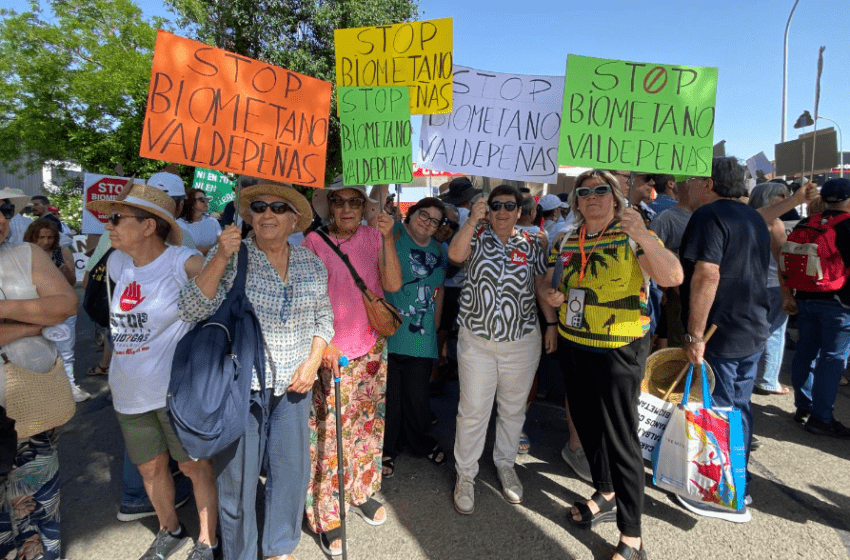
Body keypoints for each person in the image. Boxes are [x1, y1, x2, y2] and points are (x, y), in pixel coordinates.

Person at [180, 182, 334, 560]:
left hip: (295, 386)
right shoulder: (234, 256)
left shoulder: (310, 262)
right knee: (237, 482)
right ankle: (240, 553)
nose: (267, 214)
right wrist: (219, 256)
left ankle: (280, 548)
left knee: (290, 473)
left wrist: (313, 361)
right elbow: (190, 307)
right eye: (260, 207)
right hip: (241, 387)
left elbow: (324, 317)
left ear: (294, 219)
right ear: (249, 216)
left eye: (278, 208)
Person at [540, 169, 682, 560]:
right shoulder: (567, 238)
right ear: (576, 201)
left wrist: (643, 236)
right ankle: (605, 491)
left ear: (616, 197)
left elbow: (672, 276)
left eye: (601, 190)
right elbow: (545, 280)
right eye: (583, 192)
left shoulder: (632, 234)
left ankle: (632, 535)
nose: (592, 197)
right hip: (574, 343)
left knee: (620, 436)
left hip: (619, 347)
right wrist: (550, 294)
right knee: (586, 423)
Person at [85, 182, 220, 559]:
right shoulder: (116, 261)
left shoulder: (181, 261)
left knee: (193, 467)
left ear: (148, 226)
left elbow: (217, 287)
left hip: (174, 393)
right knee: (149, 469)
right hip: (128, 391)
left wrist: (224, 255)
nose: (108, 225)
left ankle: (207, 540)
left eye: (117, 218)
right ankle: (169, 529)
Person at [303, 178, 402, 556]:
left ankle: (358, 491)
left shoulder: (374, 237)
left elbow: (392, 285)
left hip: (371, 349)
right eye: (339, 201)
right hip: (331, 351)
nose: (346, 208)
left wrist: (388, 239)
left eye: (354, 202)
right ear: (329, 206)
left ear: (364, 207)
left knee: (366, 426)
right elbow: (308, 298)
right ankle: (326, 511)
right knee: (330, 435)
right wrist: (324, 343)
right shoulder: (314, 242)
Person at [678, 157, 771, 522]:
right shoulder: (753, 217)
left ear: (708, 183)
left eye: (693, 178)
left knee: (717, 408)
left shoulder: (709, 215)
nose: (687, 184)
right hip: (752, 327)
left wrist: (695, 334)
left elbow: (707, 274)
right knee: (739, 407)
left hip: (721, 331)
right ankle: (739, 485)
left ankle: (719, 494)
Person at [448, 184, 547, 514]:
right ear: (487, 210)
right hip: (477, 341)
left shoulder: (531, 243)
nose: (502, 211)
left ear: (520, 212)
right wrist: (471, 221)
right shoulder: (475, 236)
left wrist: (552, 320)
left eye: (509, 206)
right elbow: (455, 256)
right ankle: (465, 474)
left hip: (521, 341)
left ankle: (506, 464)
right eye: (496, 205)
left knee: (513, 410)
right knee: (473, 410)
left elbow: (540, 284)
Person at [0, 200, 78, 559]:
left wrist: (5, 313)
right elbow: (49, 315)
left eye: (2, 212)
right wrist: (34, 324)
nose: (0, 221)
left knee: (40, 497)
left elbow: (64, 305)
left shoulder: (26, 253)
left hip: (33, 404)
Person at [382, 197, 448, 478]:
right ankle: (387, 449)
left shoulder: (439, 248)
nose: (428, 223)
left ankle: (419, 442)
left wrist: (436, 326)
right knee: (390, 398)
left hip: (422, 334)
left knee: (417, 397)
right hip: (389, 329)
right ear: (411, 213)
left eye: (435, 220)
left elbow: (439, 290)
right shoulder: (394, 231)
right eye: (423, 215)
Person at [787, 178, 850, 437]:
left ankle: (804, 406)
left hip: (804, 296)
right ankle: (821, 418)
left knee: (805, 352)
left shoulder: (806, 223)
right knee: (832, 360)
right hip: (839, 302)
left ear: (823, 199)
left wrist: (788, 294)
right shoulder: (847, 225)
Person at [23, 218, 91, 402]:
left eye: (50, 237)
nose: (46, 241)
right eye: (41, 237)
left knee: (65, 351)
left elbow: (71, 281)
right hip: (36, 309)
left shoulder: (60, 252)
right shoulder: (24, 253)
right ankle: (43, 390)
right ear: (33, 236)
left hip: (61, 308)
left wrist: (65, 270)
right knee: (37, 351)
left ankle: (70, 386)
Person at [747, 183, 792, 396]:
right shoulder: (774, 223)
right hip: (772, 286)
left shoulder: (744, 219)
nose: (787, 200)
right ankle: (767, 380)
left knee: (751, 332)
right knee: (774, 333)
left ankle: (750, 376)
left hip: (749, 285)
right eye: (782, 196)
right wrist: (788, 293)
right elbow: (783, 259)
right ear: (769, 198)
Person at [177, 188, 222, 255]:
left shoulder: (213, 222)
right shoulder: (180, 224)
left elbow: (222, 243)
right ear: (191, 202)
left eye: (206, 199)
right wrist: (214, 245)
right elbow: (189, 251)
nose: (206, 202)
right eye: (202, 199)